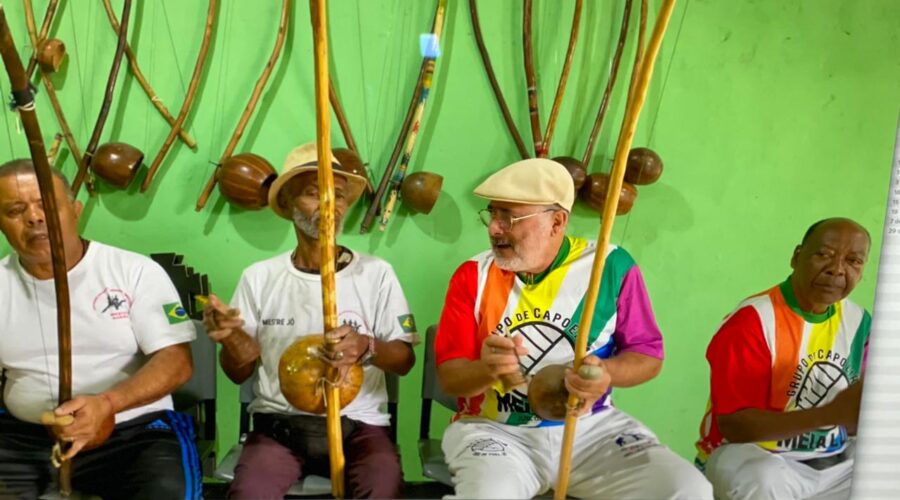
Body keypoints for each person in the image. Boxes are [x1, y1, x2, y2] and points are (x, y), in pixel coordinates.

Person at [434, 158, 712, 499]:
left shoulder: (609, 267)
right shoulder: (473, 276)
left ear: (557, 222)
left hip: (591, 429)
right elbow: (450, 378)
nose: (494, 228)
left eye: (509, 217)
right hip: (497, 430)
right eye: (492, 214)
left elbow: (647, 355)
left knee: (686, 490)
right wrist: (486, 369)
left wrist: (607, 373)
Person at [203, 143, 417, 499]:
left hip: (360, 427)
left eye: (339, 196)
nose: (331, 205)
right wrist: (232, 339)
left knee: (383, 487)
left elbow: (405, 361)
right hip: (279, 426)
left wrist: (366, 347)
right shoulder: (259, 277)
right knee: (249, 493)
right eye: (314, 194)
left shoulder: (376, 274)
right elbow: (239, 373)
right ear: (288, 203)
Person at [0, 160, 200, 499]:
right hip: (23, 438)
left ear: (75, 211)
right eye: (15, 210)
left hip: (133, 432)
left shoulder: (135, 272)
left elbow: (177, 362)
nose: (34, 218)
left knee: (168, 493)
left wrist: (108, 404)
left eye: (46, 205)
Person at [696, 217, 871, 500]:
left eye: (853, 261)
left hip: (831, 462)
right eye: (824, 254)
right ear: (796, 257)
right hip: (755, 456)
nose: (837, 269)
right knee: (762, 480)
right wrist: (830, 415)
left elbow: (856, 415)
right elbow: (735, 427)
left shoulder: (859, 321)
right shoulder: (753, 321)